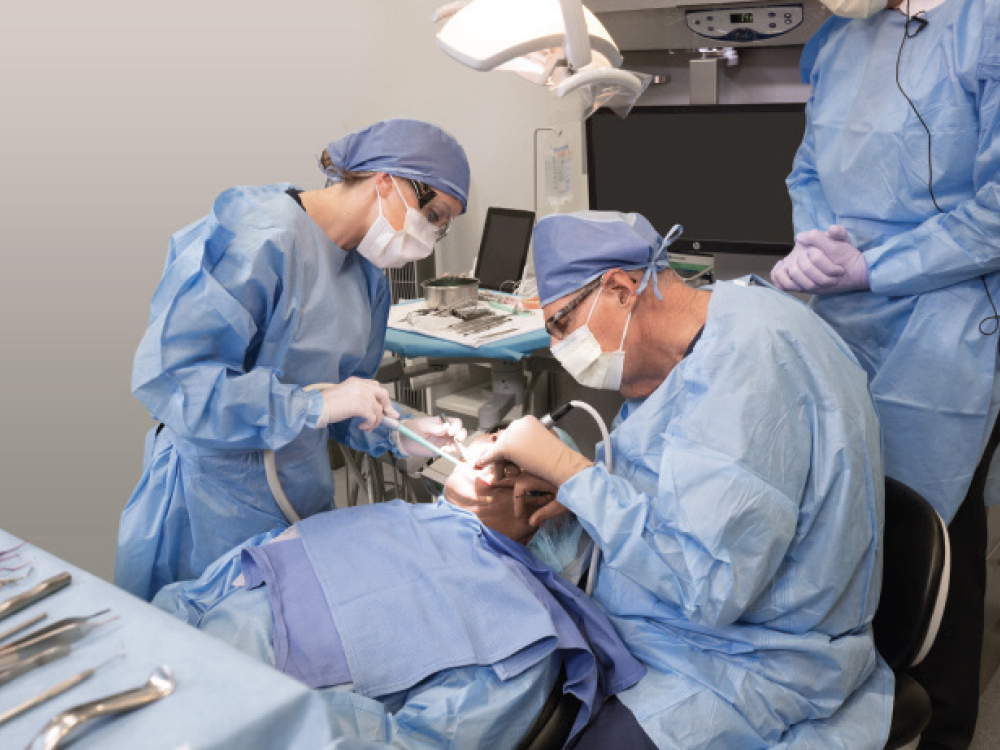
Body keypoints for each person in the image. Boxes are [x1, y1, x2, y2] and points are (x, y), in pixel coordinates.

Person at [475, 211, 893, 748]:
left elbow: (710, 584)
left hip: (755, 659)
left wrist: (572, 472)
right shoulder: (705, 328)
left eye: (561, 326)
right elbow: (675, 478)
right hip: (674, 624)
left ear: (621, 289)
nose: (560, 349)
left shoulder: (750, 362)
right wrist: (574, 488)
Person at [769, 0, 1000, 745]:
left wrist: (877, 265)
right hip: (843, 318)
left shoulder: (984, 28)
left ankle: (939, 726)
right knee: (844, 525)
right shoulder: (839, 38)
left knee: (931, 547)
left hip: (948, 328)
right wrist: (814, 245)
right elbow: (809, 169)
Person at [116, 119, 471, 602]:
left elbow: (348, 398)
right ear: (388, 182)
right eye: (434, 216)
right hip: (211, 511)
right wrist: (312, 407)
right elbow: (177, 382)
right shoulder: (259, 239)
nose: (432, 237)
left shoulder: (367, 278)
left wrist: (404, 431)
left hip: (301, 504)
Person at [152, 439, 643, 750]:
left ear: (536, 506)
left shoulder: (521, 634)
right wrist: (156, 635)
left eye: (502, 453)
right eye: (492, 435)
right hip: (157, 665)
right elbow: (242, 571)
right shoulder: (399, 516)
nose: (479, 443)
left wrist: (251, 705)